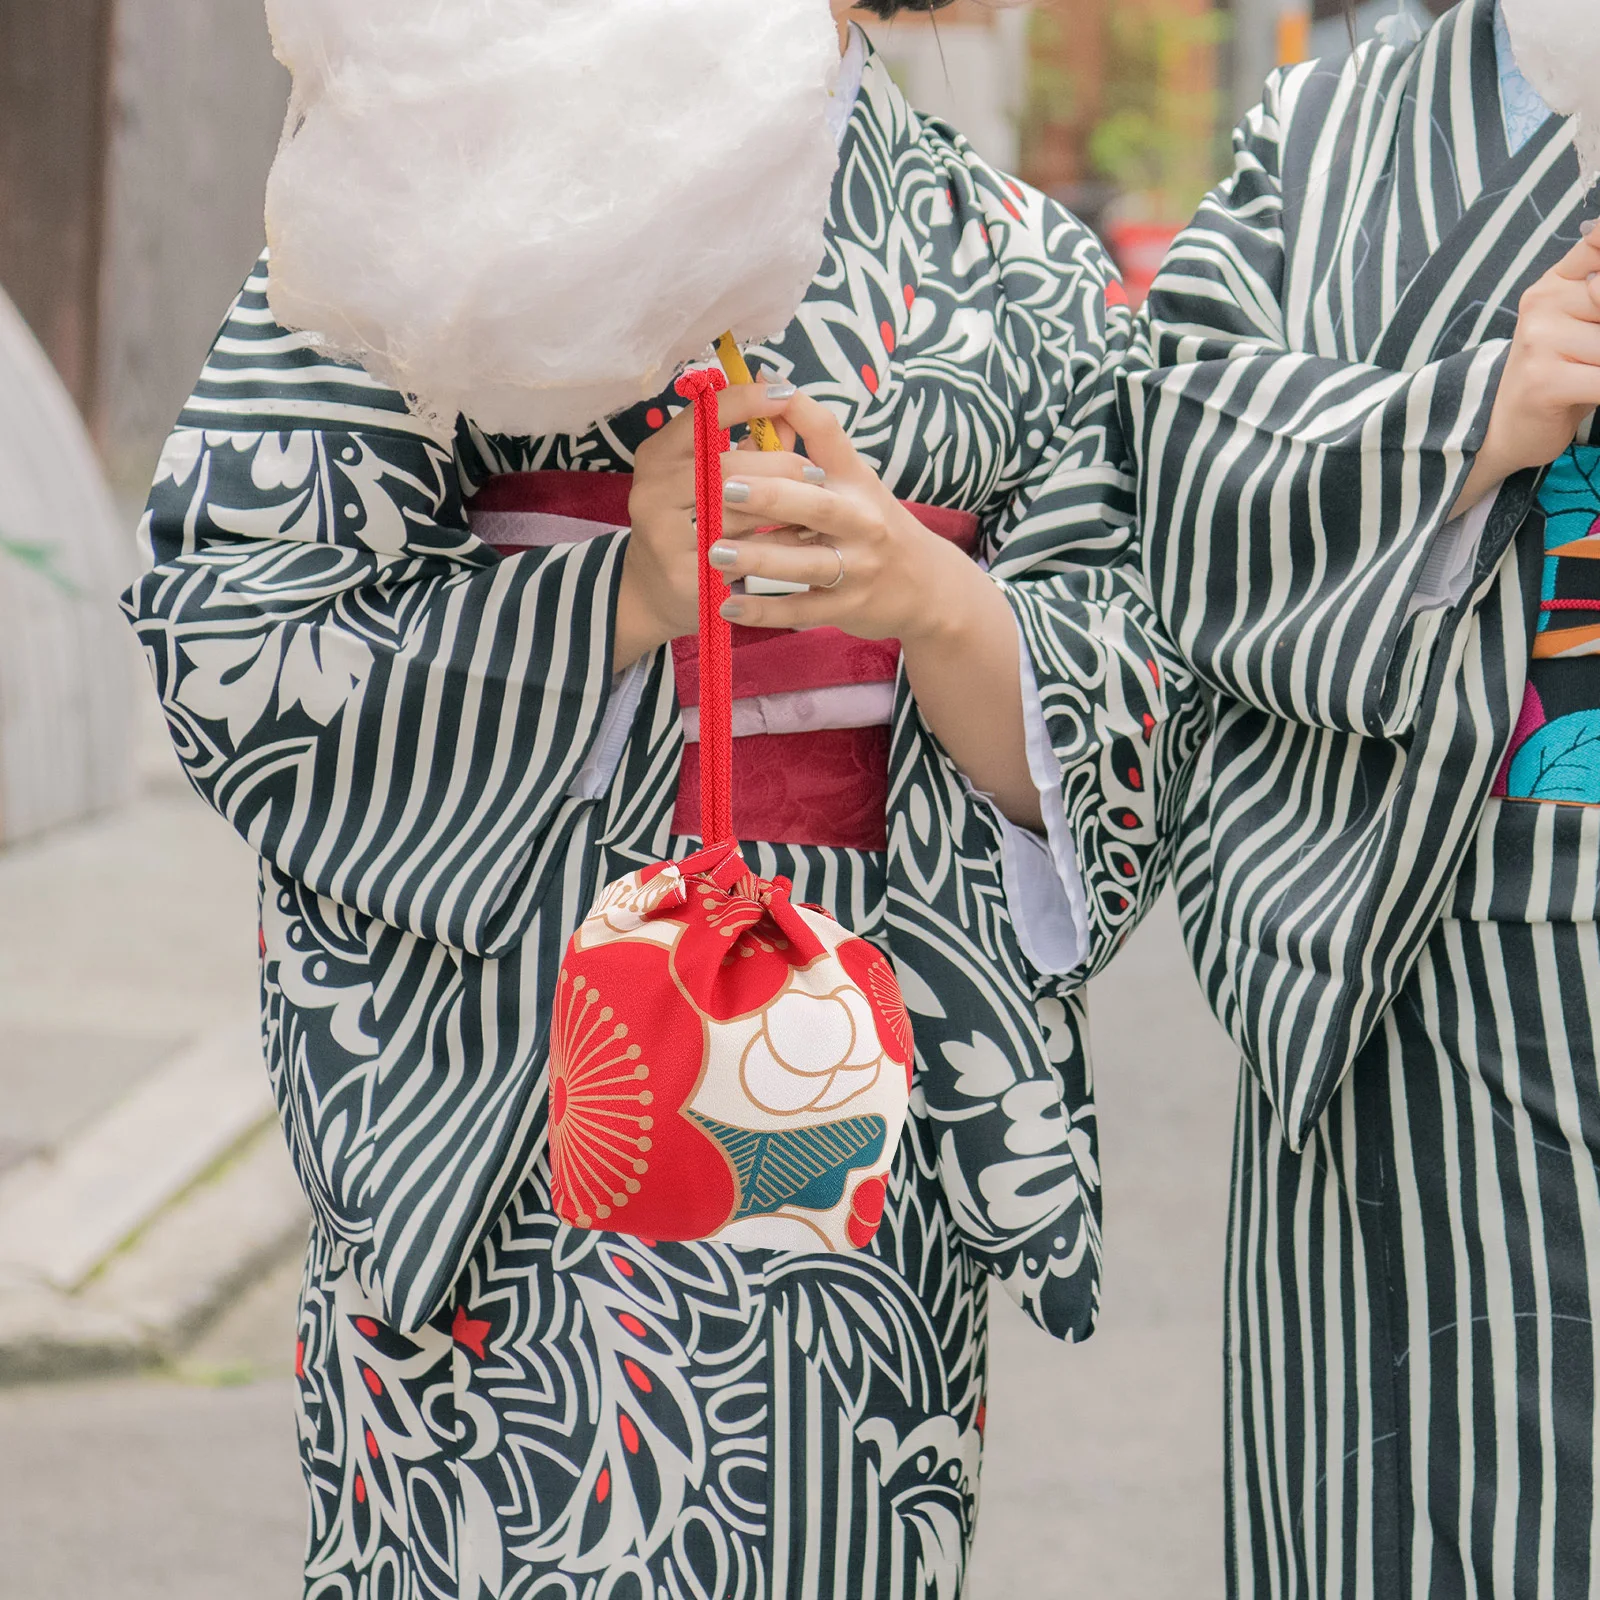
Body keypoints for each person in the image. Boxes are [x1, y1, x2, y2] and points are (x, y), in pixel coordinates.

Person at [124, 3, 1196, 1594]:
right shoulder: (440, 160)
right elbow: (237, 622)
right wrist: (626, 592)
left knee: (820, 1519)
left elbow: (1133, 688)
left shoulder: (1017, 262)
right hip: (514, 1064)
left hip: (848, 1053)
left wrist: (936, 598)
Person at [1123, 0, 1600, 1592]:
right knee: (1418, 1512)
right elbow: (1173, 452)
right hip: (1426, 959)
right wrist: (1475, 415)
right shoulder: (1324, 135)